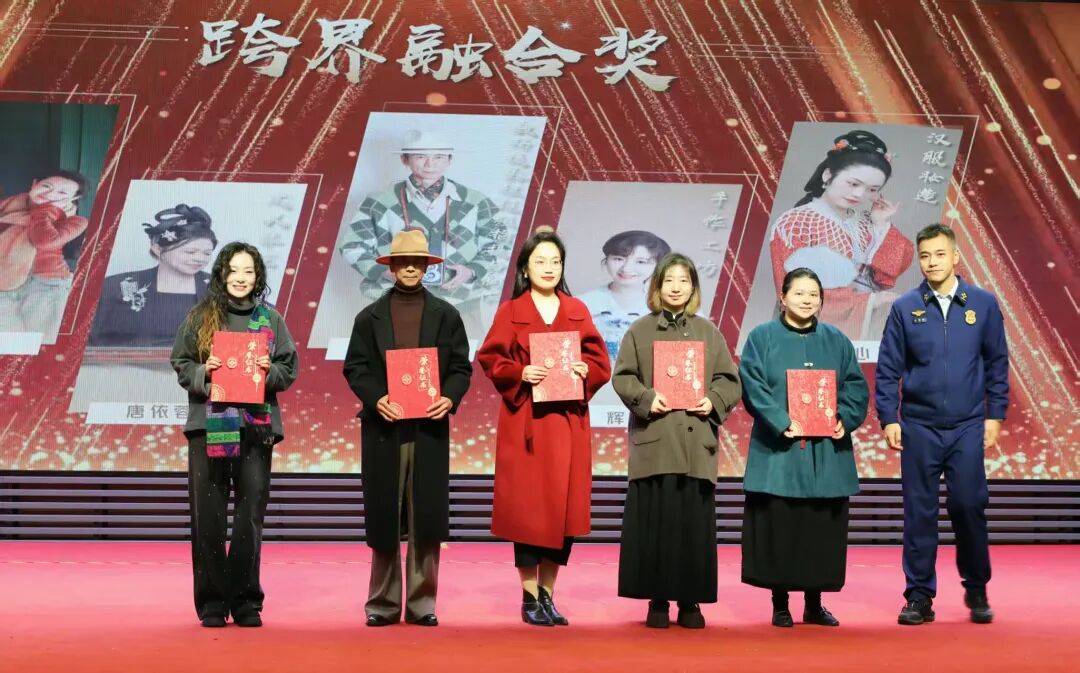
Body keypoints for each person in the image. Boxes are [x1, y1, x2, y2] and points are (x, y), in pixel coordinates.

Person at [875, 223, 1009, 626]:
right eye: (925, 256)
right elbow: (888, 368)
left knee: (969, 505)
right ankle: (919, 596)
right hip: (919, 426)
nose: (932, 262)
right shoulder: (905, 308)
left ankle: (977, 586)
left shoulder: (983, 304)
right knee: (920, 512)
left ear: (955, 256)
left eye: (939, 254)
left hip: (968, 425)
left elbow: (997, 363)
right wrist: (888, 417)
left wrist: (995, 414)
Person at [477, 228, 611, 626]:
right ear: (525, 268)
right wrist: (521, 372)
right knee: (528, 511)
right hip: (528, 423)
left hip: (568, 423)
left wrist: (586, 370)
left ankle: (549, 594)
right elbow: (490, 358)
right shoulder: (511, 311)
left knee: (563, 511)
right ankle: (529, 595)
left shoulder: (577, 309)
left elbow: (600, 362)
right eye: (540, 261)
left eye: (555, 261)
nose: (549, 268)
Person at [342, 230, 473, 628]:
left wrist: (449, 397)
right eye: (403, 261)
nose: (411, 267)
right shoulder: (369, 317)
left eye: (418, 261)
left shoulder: (446, 315)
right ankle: (382, 604)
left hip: (429, 429)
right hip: (385, 428)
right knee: (384, 516)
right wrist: (376, 398)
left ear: (428, 267)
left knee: (426, 518)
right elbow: (356, 368)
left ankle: (421, 603)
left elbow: (461, 368)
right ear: (392, 267)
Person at [170, 241, 299, 628]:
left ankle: (245, 601)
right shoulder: (201, 316)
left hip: (255, 428)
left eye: (248, 271)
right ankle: (212, 601)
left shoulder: (271, 320)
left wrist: (268, 370)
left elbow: (288, 369)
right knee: (208, 516)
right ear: (221, 273)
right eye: (233, 270)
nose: (240, 278)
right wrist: (204, 372)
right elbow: (181, 361)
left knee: (249, 517)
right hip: (210, 424)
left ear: (258, 277)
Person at [611, 253, 741, 629]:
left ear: (693, 288)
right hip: (656, 441)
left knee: (693, 527)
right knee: (656, 524)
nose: (676, 287)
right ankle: (657, 599)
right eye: (669, 280)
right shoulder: (639, 331)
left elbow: (729, 380)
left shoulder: (708, 332)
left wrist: (713, 400)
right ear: (657, 286)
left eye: (684, 281)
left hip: (696, 444)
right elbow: (623, 377)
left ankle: (690, 601)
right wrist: (646, 398)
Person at [739, 267, 869, 627]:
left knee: (819, 530)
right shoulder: (762, 337)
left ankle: (815, 603)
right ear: (782, 297)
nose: (807, 300)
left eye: (814, 294)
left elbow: (856, 386)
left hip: (825, 451)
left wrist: (844, 418)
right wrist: (781, 421)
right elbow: (752, 385)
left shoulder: (837, 341)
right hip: (779, 451)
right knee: (781, 526)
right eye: (799, 293)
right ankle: (780, 603)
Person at [338, 130, 507, 333]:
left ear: (450, 160)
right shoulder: (379, 202)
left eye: (439, 157)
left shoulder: (476, 201)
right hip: (395, 303)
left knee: (464, 352)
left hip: (463, 302)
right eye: (420, 156)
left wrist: (471, 271)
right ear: (404, 159)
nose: (430, 164)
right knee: (404, 353)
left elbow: (500, 244)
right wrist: (386, 272)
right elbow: (352, 246)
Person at [769, 130, 913, 339]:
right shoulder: (796, 223)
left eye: (872, 189)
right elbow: (795, 291)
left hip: (868, 322)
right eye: (854, 183)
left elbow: (887, 275)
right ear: (828, 175)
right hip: (812, 329)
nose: (860, 194)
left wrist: (880, 223)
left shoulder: (867, 222)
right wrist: (869, 301)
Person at [91, 204, 216, 347]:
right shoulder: (117, 286)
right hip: (126, 361)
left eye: (207, 253)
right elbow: (89, 339)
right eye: (190, 252)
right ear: (158, 249)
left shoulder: (221, 288)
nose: (200, 259)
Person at [0, 170, 88, 339]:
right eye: (46, 186)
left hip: (47, 286)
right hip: (5, 284)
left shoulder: (76, 221)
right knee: (8, 344)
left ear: (73, 199)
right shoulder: (7, 208)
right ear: (34, 185)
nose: (50, 193)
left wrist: (45, 210)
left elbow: (44, 240)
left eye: (62, 193)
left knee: (40, 344)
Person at [579, 230, 671, 360]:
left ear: (658, 266)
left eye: (641, 262)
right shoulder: (580, 304)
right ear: (607, 259)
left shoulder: (669, 310)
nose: (627, 268)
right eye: (618, 259)